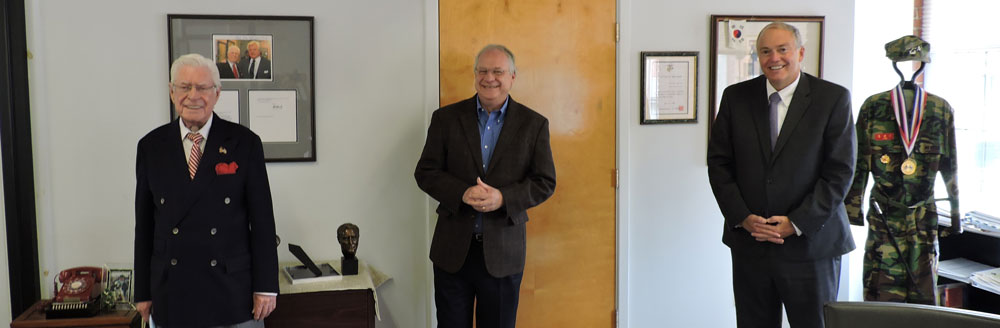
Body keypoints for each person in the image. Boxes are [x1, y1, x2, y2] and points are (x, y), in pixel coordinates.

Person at [707, 22, 856, 328]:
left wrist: (797, 222)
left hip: (812, 245)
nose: (774, 58)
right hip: (752, 243)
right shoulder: (736, 98)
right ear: (758, 56)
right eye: (765, 51)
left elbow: (840, 172)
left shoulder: (832, 99)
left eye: (782, 49)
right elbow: (719, 164)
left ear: (800, 53)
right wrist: (742, 216)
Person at [414, 44, 556, 328]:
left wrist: (503, 198)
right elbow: (426, 172)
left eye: (498, 71)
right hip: (452, 252)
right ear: (475, 74)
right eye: (483, 70)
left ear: (512, 77)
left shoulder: (534, 124)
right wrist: (462, 193)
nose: (489, 78)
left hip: (504, 253)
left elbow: (545, 182)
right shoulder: (445, 119)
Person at [134, 53, 279, 327]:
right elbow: (144, 227)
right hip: (171, 290)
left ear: (217, 93)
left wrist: (266, 286)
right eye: (184, 87)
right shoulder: (151, 146)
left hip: (230, 289)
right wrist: (141, 292)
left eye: (202, 87)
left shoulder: (245, 143)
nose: (193, 96)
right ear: (171, 91)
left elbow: (262, 221)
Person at [845, 35, 960, 304]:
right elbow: (858, 161)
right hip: (884, 215)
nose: (911, 66)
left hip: (923, 216)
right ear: (894, 64)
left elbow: (952, 164)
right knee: (880, 291)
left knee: (923, 296)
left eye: (917, 62)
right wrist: (852, 210)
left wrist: (955, 214)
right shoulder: (874, 107)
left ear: (923, 64)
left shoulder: (940, 109)